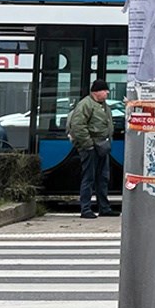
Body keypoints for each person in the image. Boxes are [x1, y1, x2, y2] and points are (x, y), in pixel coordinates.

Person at [68, 79, 116, 219]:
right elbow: (78, 126)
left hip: (102, 146)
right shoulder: (86, 105)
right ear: (96, 92)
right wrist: (88, 144)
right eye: (104, 90)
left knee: (103, 178)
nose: (107, 92)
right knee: (89, 177)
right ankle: (86, 208)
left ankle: (104, 208)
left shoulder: (103, 105)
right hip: (91, 147)